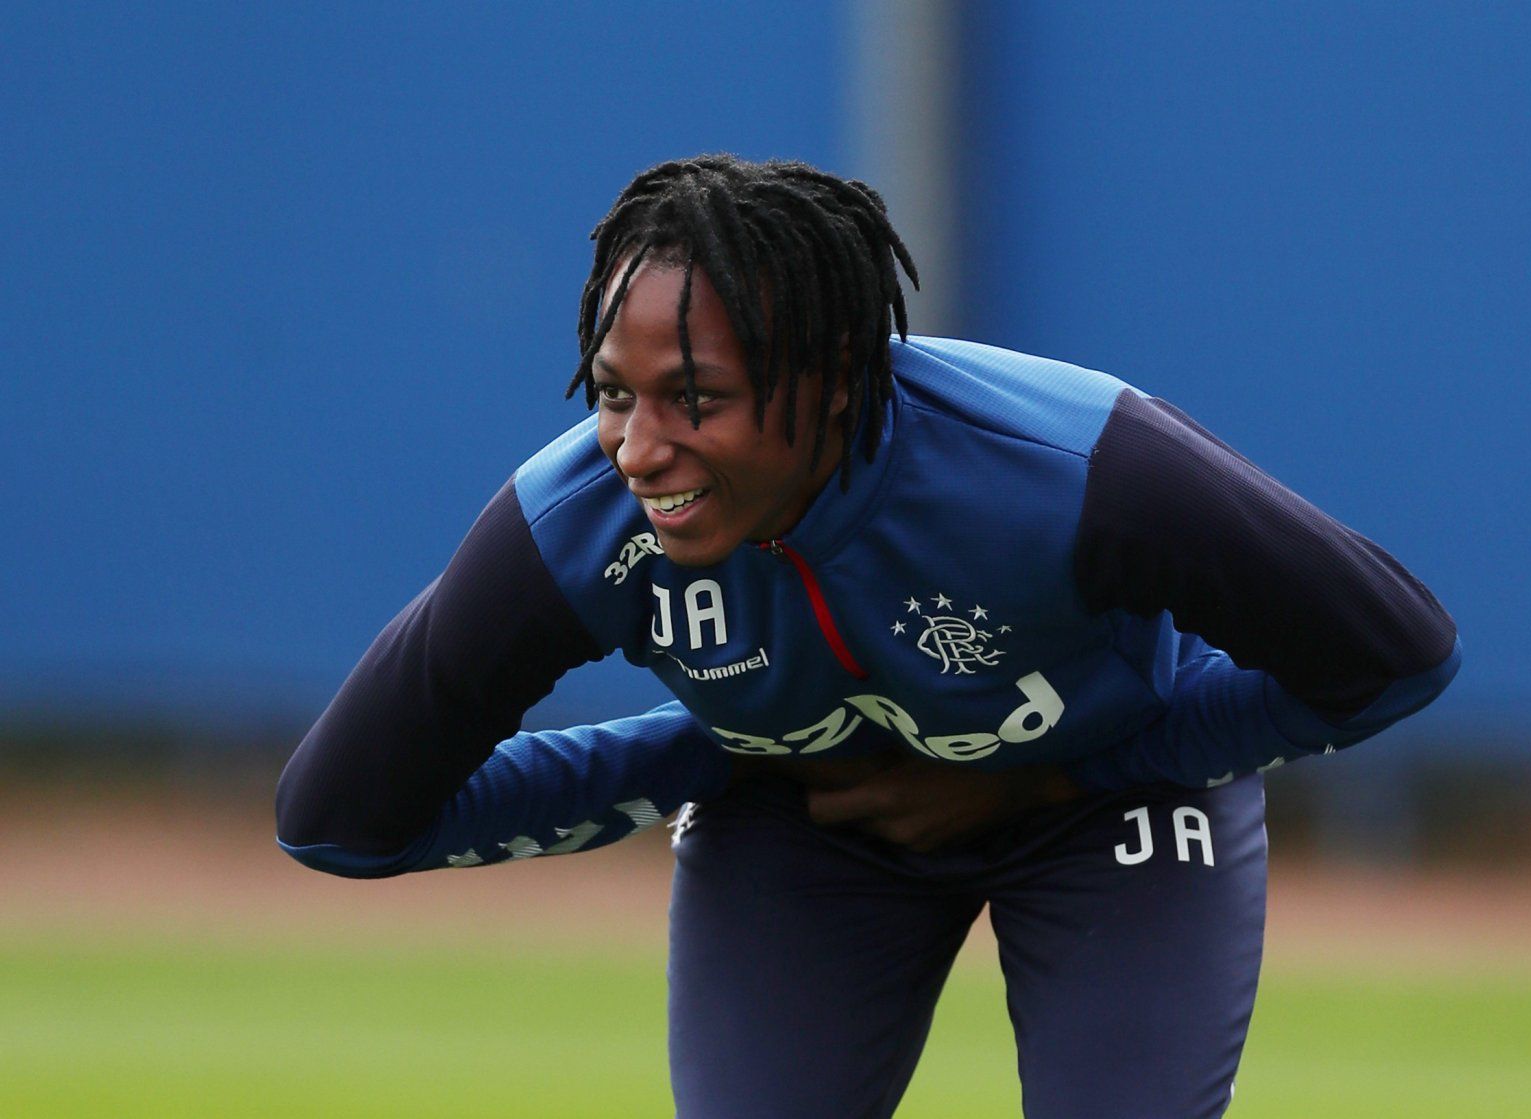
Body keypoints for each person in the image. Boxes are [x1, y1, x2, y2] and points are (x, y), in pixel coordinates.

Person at [276, 154, 1460, 1118]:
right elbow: (340, 820)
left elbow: (1395, 655)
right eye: (612, 393)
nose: (637, 449)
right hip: (812, 820)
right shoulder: (575, 521)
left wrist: (1056, 776)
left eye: (695, 398)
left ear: (834, 377)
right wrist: (710, 751)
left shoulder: (1074, 466)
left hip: (1113, 799)